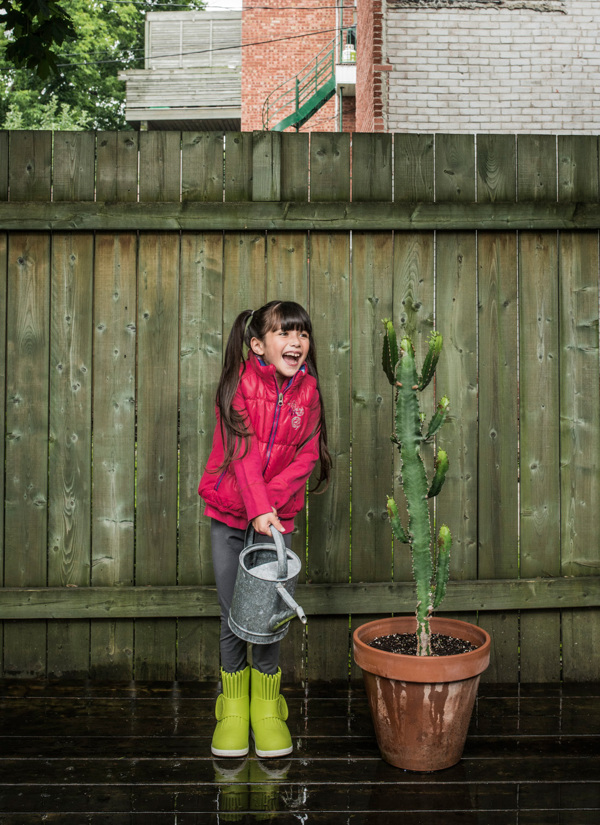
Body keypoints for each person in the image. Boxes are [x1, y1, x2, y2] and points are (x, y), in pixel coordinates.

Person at [199, 300, 331, 759]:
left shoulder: (309, 392)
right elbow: (243, 453)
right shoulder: (238, 385)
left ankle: (267, 707)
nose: (296, 342)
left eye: (303, 334)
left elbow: (308, 456)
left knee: (269, 614)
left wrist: (269, 508)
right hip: (230, 515)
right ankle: (233, 706)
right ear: (258, 344)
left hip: (276, 520)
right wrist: (257, 507)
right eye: (284, 333)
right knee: (235, 611)